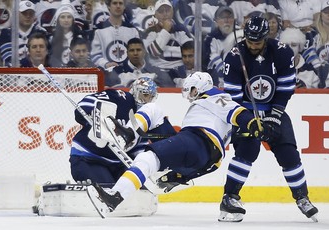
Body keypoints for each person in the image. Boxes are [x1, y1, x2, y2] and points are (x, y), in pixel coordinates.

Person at [85, 71, 263, 218]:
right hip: (199, 154)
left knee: (147, 157)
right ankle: (128, 135)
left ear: (200, 86)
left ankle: (115, 195)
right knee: (153, 112)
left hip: (196, 142)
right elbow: (213, 161)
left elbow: (238, 113)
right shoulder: (211, 108)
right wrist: (179, 176)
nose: (191, 95)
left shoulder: (216, 97)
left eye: (192, 90)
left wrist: (253, 123)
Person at [221, 16, 319, 222]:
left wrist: (274, 117)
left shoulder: (282, 52)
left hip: (274, 109)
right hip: (245, 112)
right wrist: (248, 120)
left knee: (289, 153)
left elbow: (285, 89)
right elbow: (233, 98)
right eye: (249, 41)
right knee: (247, 151)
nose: (253, 45)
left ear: (266, 37)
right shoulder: (234, 56)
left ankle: (302, 197)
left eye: (257, 42)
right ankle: (229, 198)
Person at [70, 77, 176, 186]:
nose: (146, 101)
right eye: (144, 95)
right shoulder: (119, 97)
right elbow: (84, 105)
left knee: (135, 192)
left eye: (150, 97)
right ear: (135, 91)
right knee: (108, 191)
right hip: (89, 159)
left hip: (117, 164)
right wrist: (92, 111)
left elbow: (137, 152)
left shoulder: (145, 119)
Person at [143, 0, 193, 71]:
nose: (165, 14)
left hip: (180, 70)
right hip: (159, 71)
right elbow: (154, 52)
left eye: (167, 10)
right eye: (161, 11)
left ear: (172, 12)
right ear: (155, 15)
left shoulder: (181, 30)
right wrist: (166, 30)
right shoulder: (150, 32)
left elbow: (191, 52)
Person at [90, 0, 140, 70]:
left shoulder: (132, 30)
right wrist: (106, 64)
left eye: (120, 3)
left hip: (130, 73)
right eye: (115, 3)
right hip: (107, 75)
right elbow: (94, 55)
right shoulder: (98, 29)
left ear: (124, 6)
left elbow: (138, 53)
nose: (118, 6)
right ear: (108, 6)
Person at [0, 0, 47, 66]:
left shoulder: (42, 33)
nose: (28, 16)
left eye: (31, 13)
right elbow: (7, 59)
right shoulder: (6, 34)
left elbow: (45, 58)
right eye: (24, 13)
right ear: (16, 14)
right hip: (14, 73)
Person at [105, 37, 172, 87]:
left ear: (144, 52)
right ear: (127, 53)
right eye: (132, 50)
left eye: (138, 50)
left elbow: (166, 91)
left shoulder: (156, 72)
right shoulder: (117, 71)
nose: (135, 53)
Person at [203, 6, 235, 87]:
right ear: (216, 21)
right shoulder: (210, 38)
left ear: (234, 20)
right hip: (217, 79)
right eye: (223, 17)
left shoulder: (240, 36)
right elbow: (213, 61)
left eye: (229, 17)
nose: (226, 21)